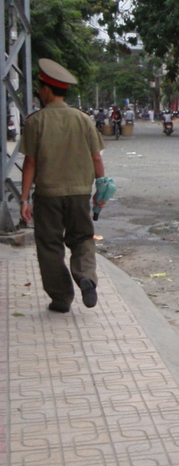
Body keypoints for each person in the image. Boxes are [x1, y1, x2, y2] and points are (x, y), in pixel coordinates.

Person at [20, 59, 107, 313]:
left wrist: (24, 199)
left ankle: (61, 298)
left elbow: (30, 163)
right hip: (80, 193)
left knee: (49, 245)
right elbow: (96, 158)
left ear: (46, 89)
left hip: (48, 195)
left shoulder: (36, 121)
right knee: (82, 238)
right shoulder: (84, 120)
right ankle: (86, 277)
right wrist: (100, 193)